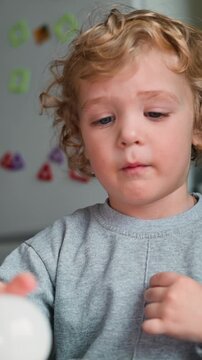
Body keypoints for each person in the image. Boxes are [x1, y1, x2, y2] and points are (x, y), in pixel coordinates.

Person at [1, 6, 202, 360]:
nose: (128, 134)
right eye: (104, 119)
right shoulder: (54, 251)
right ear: (81, 139)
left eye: (155, 113)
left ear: (197, 127)